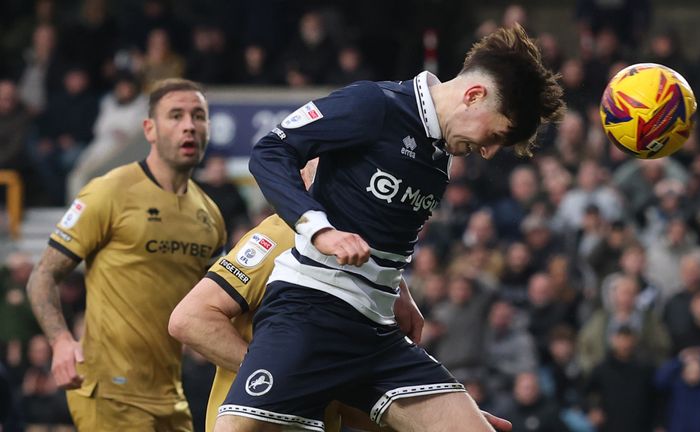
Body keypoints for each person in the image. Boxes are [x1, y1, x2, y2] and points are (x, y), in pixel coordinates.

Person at [217, 24, 564, 431]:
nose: (488, 152)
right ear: (473, 96)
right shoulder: (374, 104)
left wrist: (399, 289)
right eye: (495, 135)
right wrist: (319, 229)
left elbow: (379, 225)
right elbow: (271, 150)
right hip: (309, 312)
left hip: (375, 334)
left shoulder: (441, 152)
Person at [169, 160, 513, 432]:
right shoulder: (282, 235)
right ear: (303, 176)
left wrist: (436, 415)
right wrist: (279, 375)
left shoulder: (374, 266)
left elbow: (348, 397)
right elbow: (190, 319)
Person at [25, 78, 227, 431]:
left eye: (198, 116)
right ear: (149, 129)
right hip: (109, 391)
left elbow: (216, 304)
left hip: (171, 398)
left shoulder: (210, 214)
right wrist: (60, 341)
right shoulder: (109, 192)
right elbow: (42, 276)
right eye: (175, 115)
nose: (189, 126)